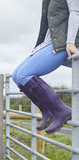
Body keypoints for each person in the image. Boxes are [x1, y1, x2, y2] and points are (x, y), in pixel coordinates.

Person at [12, 0, 79, 134]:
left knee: (24, 74)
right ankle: (47, 111)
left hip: (62, 42)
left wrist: (70, 42)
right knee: (16, 76)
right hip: (49, 42)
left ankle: (61, 110)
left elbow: (76, 12)